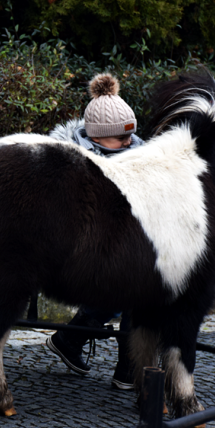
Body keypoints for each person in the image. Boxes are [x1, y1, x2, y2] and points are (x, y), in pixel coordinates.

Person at [44, 72, 143, 390]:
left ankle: (72, 340)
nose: (129, 142)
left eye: (131, 135)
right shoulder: (73, 162)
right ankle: (128, 365)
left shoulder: (134, 155)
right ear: (96, 138)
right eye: (121, 138)